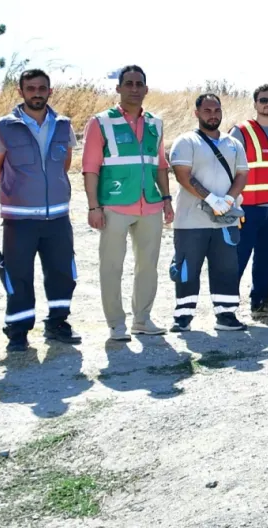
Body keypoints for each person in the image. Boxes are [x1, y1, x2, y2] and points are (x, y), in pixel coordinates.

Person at [0, 69, 80, 351]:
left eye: (42, 88)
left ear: (50, 91)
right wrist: (18, 191)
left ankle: (57, 323)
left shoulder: (63, 125)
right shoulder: (3, 127)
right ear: (21, 92)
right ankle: (18, 332)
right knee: (19, 276)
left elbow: (64, 165)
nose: (37, 93)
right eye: (31, 88)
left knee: (62, 273)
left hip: (58, 217)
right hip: (20, 218)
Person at [83, 65, 174, 341]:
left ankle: (142, 320)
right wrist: (93, 206)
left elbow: (160, 165)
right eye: (129, 84)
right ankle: (116, 324)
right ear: (118, 88)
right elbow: (90, 167)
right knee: (111, 266)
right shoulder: (101, 122)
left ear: (146, 89)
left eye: (139, 84)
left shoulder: (155, 123)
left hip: (150, 204)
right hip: (114, 204)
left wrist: (167, 199)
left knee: (148, 266)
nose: (134, 89)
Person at [168, 93, 248, 332]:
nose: (213, 115)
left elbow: (242, 174)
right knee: (187, 268)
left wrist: (229, 199)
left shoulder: (233, 144)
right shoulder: (186, 141)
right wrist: (211, 199)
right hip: (190, 220)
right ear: (197, 113)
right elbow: (182, 175)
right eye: (207, 110)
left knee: (226, 267)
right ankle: (183, 316)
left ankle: (226, 315)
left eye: (216, 110)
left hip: (225, 220)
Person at [231, 85, 268, 316]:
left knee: (267, 258)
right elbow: (228, 167)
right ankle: (226, 306)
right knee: (238, 258)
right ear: (255, 103)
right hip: (248, 207)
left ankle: (260, 302)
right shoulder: (241, 132)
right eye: (264, 100)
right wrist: (233, 201)